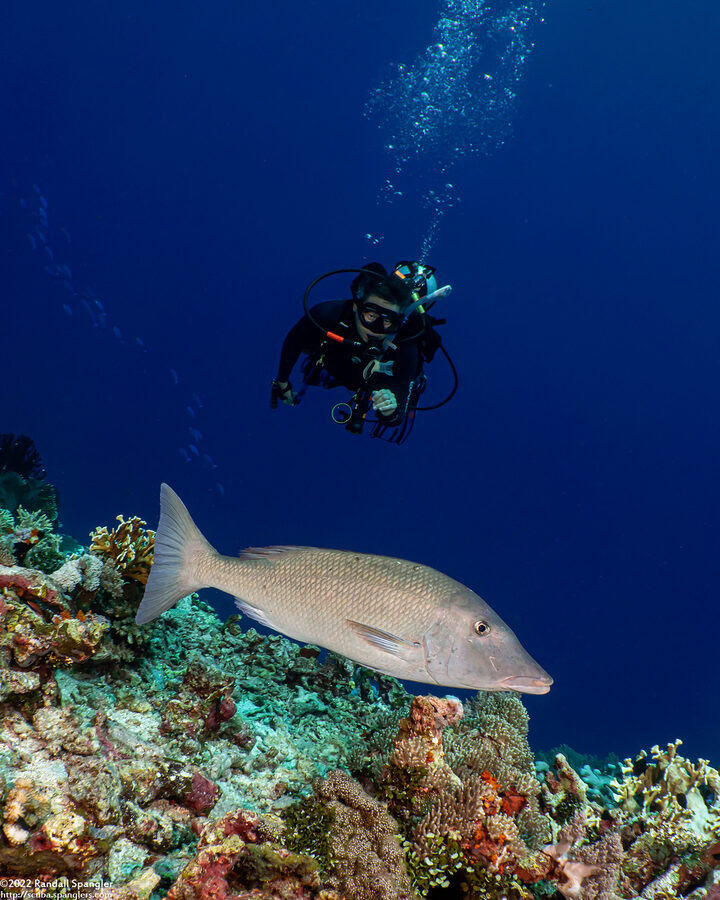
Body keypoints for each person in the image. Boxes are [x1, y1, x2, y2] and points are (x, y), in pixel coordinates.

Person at [271, 263, 426, 429]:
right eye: (371, 315)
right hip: (335, 364)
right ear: (356, 306)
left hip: (377, 382)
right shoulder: (328, 314)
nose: (376, 328)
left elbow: (397, 417)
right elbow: (293, 342)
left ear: (398, 321)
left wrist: (388, 410)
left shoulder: (405, 348)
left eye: (387, 321)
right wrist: (282, 382)